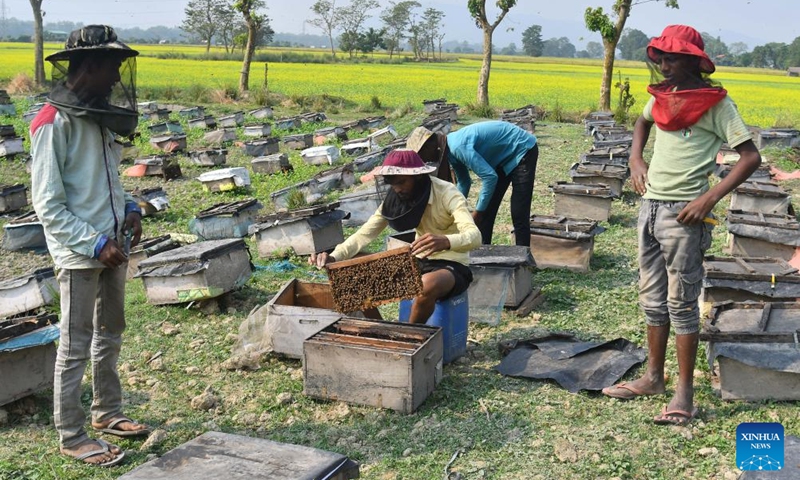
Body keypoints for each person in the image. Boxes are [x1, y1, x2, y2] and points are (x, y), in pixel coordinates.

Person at [601, 25, 762, 427]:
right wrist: (636, 161)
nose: (665, 65)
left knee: (682, 302)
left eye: (673, 58)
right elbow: (641, 124)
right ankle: (654, 377)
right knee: (652, 298)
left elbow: (749, 157)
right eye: (661, 57)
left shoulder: (716, 105)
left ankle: (684, 392)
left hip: (684, 215)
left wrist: (708, 198)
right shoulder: (662, 98)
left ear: (693, 61)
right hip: (650, 208)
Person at [30, 25, 151, 467]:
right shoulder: (52, 122)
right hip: (80, 251)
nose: (117, 78)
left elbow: (108, 179)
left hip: (111, 244)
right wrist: (94, 242)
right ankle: (72, 433)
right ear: (91, 65)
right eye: (113, 67)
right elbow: (48, 204)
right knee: (76, 342)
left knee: (110, 334)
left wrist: (132, 206)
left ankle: (107, 412)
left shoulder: (99, 117)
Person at [310, 149, 481, 324]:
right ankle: (382, 330)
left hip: (452, 264)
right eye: (392, 184)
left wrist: (445, 241)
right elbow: (364, 234)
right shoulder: (396, 197)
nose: (397, 189)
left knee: (426, 285)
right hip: (417, 261)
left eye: (401, 182)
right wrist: (334, 257)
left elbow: (475, 236)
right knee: (350, 275)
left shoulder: (447, 193)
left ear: (419, 177)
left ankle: (409, 334)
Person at [408, 121, 538, 246]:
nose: (424, 160)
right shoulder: (449, 150)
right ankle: (483, 252)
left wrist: (478, 212)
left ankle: (524, 258)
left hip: (522, 148)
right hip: (503, 156)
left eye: (422, 155)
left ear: (429, 145)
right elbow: (464, 182)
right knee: (487, 208)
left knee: (518, 211)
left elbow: (489, 177)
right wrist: (454, 208)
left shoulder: (457, 147)